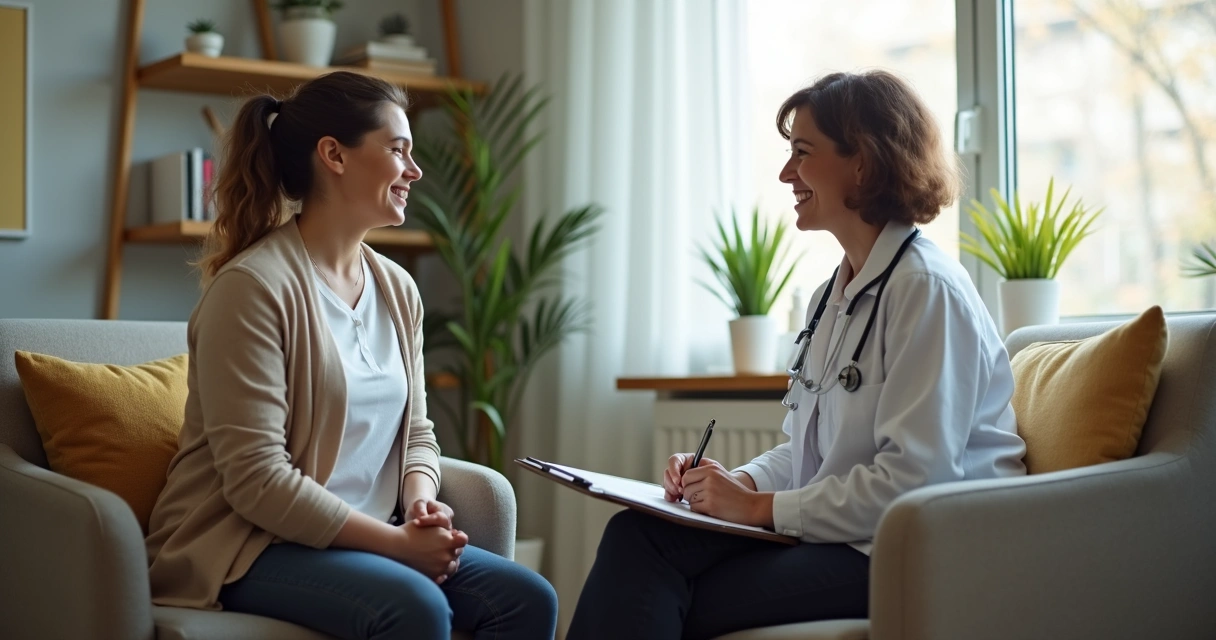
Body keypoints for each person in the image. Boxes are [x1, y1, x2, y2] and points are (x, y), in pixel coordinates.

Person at [568, 70, 1027, 640]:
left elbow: (914, 481)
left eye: (802, 154)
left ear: (862, 162)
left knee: (669, 592)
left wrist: (760, 509)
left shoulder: (926, 290)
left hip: (907, 551)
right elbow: (804, 453)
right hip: (842, 533)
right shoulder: (830, 298)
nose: (786, 173)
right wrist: (730, 483)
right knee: (636, 536)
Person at [143, 71, 558, 640]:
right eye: (398, 150)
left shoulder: (396, 288)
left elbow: (418, 435)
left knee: (527, 599)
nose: (414, 170)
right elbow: (256, 481)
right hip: (249, 544)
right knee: (415, 607)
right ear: (334, 155)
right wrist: (396, 546)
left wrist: (418, 505)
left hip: (365, 534)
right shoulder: (253, 289)